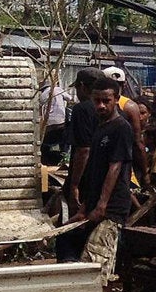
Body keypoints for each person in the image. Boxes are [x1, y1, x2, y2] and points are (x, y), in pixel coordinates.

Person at [72, 81, 136, 276]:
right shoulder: (100, 127)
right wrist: (85, 207)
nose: (101, 105)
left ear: (116, 99)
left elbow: (115, 167)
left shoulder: (121, 128)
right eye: (97, 101)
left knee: (99, 266)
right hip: (95, 205)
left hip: (112, 207)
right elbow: (94, 171)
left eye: (106, 101)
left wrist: (102, 205)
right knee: (89, 264)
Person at [56, 68, 101, 261]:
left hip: (84, 181)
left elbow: (84, 149)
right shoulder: (116, 111)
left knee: (69, 229)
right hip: (102, 182)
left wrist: (74, 184)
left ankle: (67, 269)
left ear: (82, 86)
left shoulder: (82, 109)